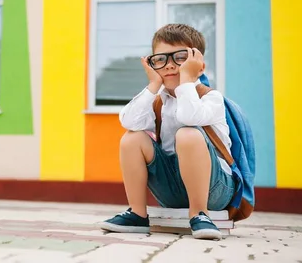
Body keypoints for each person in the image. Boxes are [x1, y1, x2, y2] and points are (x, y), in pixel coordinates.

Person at [98, 23, 235, 240]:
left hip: (214, 189)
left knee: (187, 133)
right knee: (132, 138)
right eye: (160, 59)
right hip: (172, 188)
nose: (169, 65)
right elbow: (128, 121)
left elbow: (189, 117)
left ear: (199, 65)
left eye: (180, 57)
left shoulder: (211, 98)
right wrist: (154, 85)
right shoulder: (158, 102)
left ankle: (200, 214)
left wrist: (188, 81)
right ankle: (137, 214)